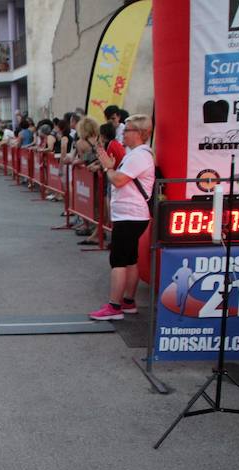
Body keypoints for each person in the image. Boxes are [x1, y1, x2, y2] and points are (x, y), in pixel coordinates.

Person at [89, 114, 155, 320]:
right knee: (129, 259)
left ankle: (114, 306)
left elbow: (118, 180)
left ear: (140, 133)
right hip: (132, 214)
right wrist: (110, 166)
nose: (123, 134)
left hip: (129, 215)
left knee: (118, 260)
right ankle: (127, 302)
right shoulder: (137, 154)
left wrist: (109, 166)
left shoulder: (139, 156)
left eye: (127, 130)